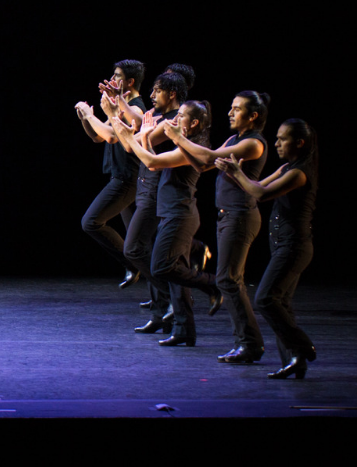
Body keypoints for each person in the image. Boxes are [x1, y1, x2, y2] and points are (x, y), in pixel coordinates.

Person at [168, 91, 270, 364]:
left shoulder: (253, 144)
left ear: (253, 116)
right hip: (228, 217)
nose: (229, 113)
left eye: (237, 109)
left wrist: (179, 138)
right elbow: (203, 163)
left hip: (240, 217)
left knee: (229, 280)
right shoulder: (234, 140)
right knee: (228, 280)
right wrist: (180, 141)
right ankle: (247, 343)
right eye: (231, 107)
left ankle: (249, 344)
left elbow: (210, 155)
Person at [113, 100, 222, 347]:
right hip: (170, 213)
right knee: (169, 272)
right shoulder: (183, 143)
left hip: (180, 215)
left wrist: (129, 138)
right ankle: (185, 330)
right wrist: (145, 137)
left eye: (181, 116)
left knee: (162, 267)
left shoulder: (192, 148)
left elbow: (152, 163)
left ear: (194, 123)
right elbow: (152, 161)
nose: (174, 119)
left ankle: (213, 284)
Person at [216, 119, 318, 379]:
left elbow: (261, 195)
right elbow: (259, 187)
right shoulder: (287, 168)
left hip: (294, 246)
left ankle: (302, 346)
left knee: (265, 299)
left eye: (283, 139)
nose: (277, 143)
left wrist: (238, 173)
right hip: (283, 244)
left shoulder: (299, 173)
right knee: (281, 302)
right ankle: (295, 360)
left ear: (299, 143)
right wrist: (235, 174)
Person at [119, 71, 185, 334]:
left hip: (156, 191)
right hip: (145, 186)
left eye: (157, 90)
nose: (152, 95)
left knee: (134, 249)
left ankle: (173, 298)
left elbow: (131, 145)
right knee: (147, 249)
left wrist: (114, 115)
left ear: (172, 93)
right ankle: (161, 313)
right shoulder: (158, 116)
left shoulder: (174, 120)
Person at [75, 60, 146, 288]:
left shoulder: (135, 108)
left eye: (117, 76)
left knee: (91, 222)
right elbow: (98, 136)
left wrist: (91, 115)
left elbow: (112, 136)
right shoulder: (120, 107)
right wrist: (86, 118)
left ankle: (132, 264)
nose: (113, 79)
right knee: (141, 242)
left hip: (128, 179)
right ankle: (165, 296)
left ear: (130, 81)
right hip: (122, 176)